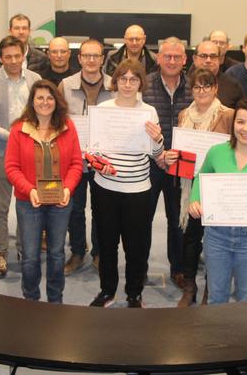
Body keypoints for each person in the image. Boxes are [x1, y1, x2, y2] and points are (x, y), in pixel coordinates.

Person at [187, 100, 247, 304]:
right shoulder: (216, 152)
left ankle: (244, 337)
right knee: (216, 296)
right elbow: (200, 177)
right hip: (217, 236)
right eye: (240, 122)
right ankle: (219, 337)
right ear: (233, 125)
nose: (246, 129)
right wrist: (195, 199)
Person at [89, 59, 164, 308]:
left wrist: (158, 139)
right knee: (107, 245)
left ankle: (134, 293)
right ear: (116, 81)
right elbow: (94, 149)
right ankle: (107, 291)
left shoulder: (149, 112)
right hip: (105, 189)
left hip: (138, 191)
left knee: (136, 247)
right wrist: (99, 163)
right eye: (123, 78)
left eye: (133, 79)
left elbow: (156, 153)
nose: (128, 84)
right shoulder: (103, 108)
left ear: (141, 82)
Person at [159, 68, 233, 306]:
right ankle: (190, 286)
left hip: (217, 186)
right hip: (190, 187)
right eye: (197, 87)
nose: (202, 91)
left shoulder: (228, 115)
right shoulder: (184, 115)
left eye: (207, 86)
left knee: (214, 241)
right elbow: (181, 149)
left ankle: (211, 289)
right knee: (190, 238)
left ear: (215, 88)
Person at [4, 80, 83, 303]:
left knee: (57, 254)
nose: (45, 102)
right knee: (30, 256)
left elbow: (77, 163)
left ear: (57, 101)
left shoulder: (68, 126)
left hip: (61, 202)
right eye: (39, 98)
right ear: (32, 101)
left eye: (50, 98)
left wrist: (68, 188)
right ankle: (31, 300)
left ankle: (55, 300)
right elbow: (11, 167)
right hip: (29, 202)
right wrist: (29, 190)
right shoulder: (19, 129)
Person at [0, 36, 41, 278]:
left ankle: (25, 250)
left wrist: (29, 134)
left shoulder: (35, 80)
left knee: (27, 206)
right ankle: (1, 254)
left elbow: (45, 110)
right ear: (0, 58)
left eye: (18, 55)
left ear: (25, 53)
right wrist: (15, 134)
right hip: (0, 154)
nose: (14, 61)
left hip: (31, 155)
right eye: (8, 57)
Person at [58, 39, 115, 274]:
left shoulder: (116, 85)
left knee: (103, 210)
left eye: (96, 56)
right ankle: (78, 252)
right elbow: (57, 120)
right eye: (86, 56)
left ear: (103, 59)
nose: (91, 60)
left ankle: (100, 254)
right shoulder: (65, 85)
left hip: (105, 161)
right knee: (75, 209)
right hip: (75, 161)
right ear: (79, 58)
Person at [142, 37, 192, 288]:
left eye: (177, 57)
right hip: (148, 164)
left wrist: (173, 156)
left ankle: (178, 268)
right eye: (167, 56)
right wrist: (158, 155)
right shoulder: (144, 85)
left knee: (177, 220)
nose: (172, 61)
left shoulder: (194, 87)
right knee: (142, 218)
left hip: (181, 165)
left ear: (185, 60)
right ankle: (139, 267)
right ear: (158, 58)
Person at [0, 14, 48, 79]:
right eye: (17, 28)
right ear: (10, 31)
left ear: (29, 31)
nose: (21, 32)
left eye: (24, 28)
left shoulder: (41, 58)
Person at [187, 40, 246, 108]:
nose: (208, 60)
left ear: (219, 59)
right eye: (204, 56)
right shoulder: (184, 84)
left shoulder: (233, 85)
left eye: (213, 56)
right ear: (195, 59)